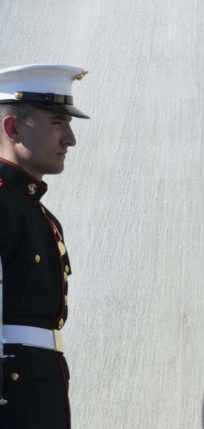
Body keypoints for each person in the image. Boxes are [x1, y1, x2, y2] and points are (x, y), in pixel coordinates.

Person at [0, 64, 90, 428]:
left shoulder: (35, 211)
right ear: (13, 128)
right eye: (57, 123)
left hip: (37, 395)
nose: (70, 139)